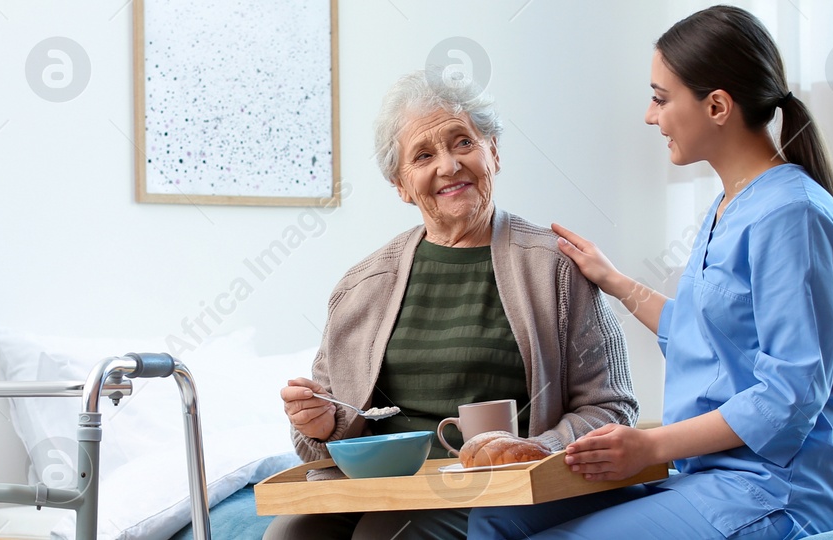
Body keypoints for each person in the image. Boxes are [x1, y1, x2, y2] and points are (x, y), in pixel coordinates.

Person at [468, 5, 833, 539]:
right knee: (496, 515)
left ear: (718, 105)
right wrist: (613, 280)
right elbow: (702, 337)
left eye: (660, 98)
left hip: (773, 490)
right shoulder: (729, 206)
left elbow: (789, 395)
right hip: (703, 476)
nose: (649, 116)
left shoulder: (791, 216)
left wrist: (649, 445)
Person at [267, 66, 639, 540]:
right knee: (291, 535)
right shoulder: (361, 286)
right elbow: (319, 442)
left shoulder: (554, 267)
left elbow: (612, 406)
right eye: (423, 155)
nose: (448, 165)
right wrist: (320, 424)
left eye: (463, 142)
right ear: (401, 185)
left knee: (383, 536)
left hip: (500, 490)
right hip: (381, 488)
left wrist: (535, 449)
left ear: (494, 153)